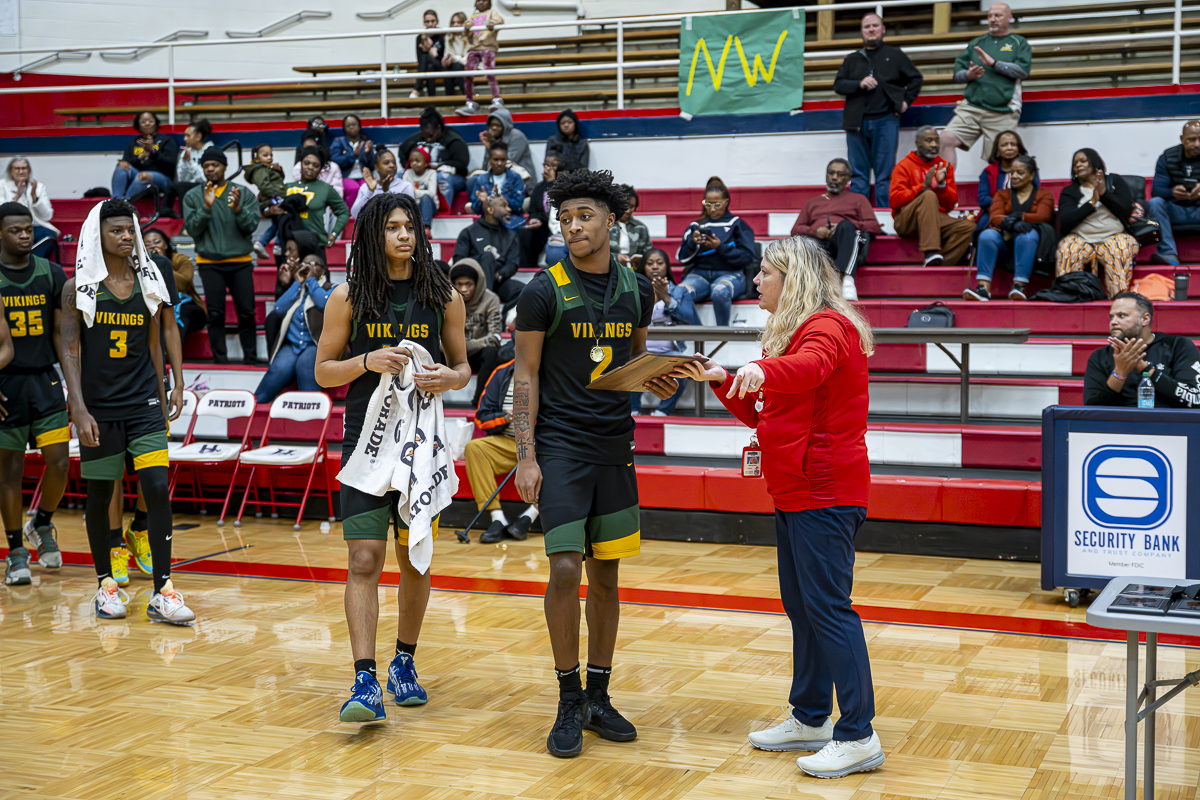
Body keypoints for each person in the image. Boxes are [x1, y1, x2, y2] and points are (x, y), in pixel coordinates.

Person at [669, 235, 882, 780]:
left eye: (765, 272)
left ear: (794, 279)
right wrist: (724, 380)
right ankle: (810, 718)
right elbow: (767, 415)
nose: (756, 280)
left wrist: (764, 370)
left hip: (825, 492)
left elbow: (809, 368)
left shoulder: (827, 327)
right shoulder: (793, 332)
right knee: (803, 608)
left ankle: (859, 734)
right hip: (795, 490)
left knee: (828, 608)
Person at [512, 168, 665, 759]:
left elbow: (635, 362)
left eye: (584, 216)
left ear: (612, 220)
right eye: (565, 218)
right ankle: (568, 697)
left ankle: (599, 696)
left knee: (606, 575)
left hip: (614, 446)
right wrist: (526, 454)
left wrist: (661, 378)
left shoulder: (638, 289)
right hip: (561, 447)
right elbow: (525, 375)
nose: (573, 226)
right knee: (565, 568)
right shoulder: (541, 291)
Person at [314, 192, 470, 723]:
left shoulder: (444, 295)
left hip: (421, 447)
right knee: (364, 559)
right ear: (372, 235)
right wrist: (366, 360)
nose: (404, 235)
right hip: (366, 442)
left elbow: (462, 367)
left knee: (413, 558)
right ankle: (365, 680)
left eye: (410, 226)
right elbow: (323, 371)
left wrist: (449, 378)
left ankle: (404, 662)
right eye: (392, 227)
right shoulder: (347, 297)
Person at [61, 198, 192, 623]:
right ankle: (105, 585)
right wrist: (78, 406)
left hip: (143, 403)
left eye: (128, 230)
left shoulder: (149, 280)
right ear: (96, 236)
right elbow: (70, 349)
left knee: (156, 487)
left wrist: (171, 385)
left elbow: (156, 342)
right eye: (115, 230)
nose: (124, 237)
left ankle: (163, 591)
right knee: (101, 494)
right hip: (98, 408)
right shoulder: (77, 287)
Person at [0, 202, 68, 586]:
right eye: (16, 230)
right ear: (0, 234)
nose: (25, 235)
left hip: (45, 379)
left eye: (28, 228)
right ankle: (15, 553)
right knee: (9, 471)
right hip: (5, 383)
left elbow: (61, 336)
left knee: (59, 462)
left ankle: (41, 523)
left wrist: (75, 389)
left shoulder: (51, 273)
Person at [833, 13, 923, 208]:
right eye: (867, 27)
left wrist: (906, 101)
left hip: (886, 120)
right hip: (856, 123)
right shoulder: (852, 59)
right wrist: (859, 84)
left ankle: (885, 215)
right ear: (862, 32)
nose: (871, 30)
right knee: (858, 174)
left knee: (886, 175)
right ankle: (859, 215)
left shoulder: (895, 55)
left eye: (875, 26)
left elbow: (916, 79)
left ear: (883, 30)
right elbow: (838, 85)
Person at [182, 147, 260, 365]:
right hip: (210, 264)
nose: (210, 169)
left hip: (241, 263)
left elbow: (251, 226)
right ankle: (220, 361)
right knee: (215, 315)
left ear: (224, 167)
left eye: (215, 165)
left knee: (247, 313)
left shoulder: (242, 193)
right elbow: (193, 229)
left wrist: (238, 209)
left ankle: (251, 359)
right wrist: (206, 207)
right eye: (206, 166)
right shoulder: (193, 196)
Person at [939, 2, 1031, 169]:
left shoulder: (1019, 42)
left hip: (1003, 111)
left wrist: (995, 63)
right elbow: (957, 74)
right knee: (945, 139)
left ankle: (999, 187)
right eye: (990, 16)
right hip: (972, 108)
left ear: (1009, 18)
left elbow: (1023, 71)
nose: (993, 19)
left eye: (998, 16)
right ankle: (946, 184)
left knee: (999, 158)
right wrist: (968, 75)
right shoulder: (977, 42)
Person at [467, 353, 540, 544]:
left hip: (539, 444)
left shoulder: (551, 371)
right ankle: (497, 518)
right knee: (475, 448)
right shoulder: (501, 373)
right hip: (506, 441)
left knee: (559, 453)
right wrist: (507, 417)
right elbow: (482, 417)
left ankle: (529, 516)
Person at [789, 158, 882, 301]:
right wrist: (815, 231)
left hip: (845, 242)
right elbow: (795, 229)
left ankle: (848, 282)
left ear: (848, 179)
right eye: (831, 173)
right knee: (803, 241)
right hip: (820, 243)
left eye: (840, 174)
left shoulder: (858, 199)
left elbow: (874, 226)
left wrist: (845, 225)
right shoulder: (812, 202)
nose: (834, 177)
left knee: (846, 226)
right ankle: (806, 289)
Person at [1084, 292, 1200, 407]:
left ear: (1145, 319)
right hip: (1120, 418)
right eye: (1112, 317)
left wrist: (1144, 368)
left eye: (1122, 315)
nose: (1113, 322)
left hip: (1166, 418)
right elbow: (1091, 409)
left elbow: (1195, 400)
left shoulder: (1178, 346)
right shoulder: (1099, 356)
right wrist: (1119, 373)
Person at [964, 154, 1054, 302]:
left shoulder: (1044, 194)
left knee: (1027, 235)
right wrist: (1013, 223)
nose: (1015, 176)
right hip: (1005, 241)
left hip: (1032, 245)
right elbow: (995, 217)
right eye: (1012, 172)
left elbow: (1043, 216)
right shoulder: (1002, 194)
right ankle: (983, 288)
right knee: (987, 235)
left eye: (1020, 172)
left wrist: (1020, 216)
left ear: (1032, 175)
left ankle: (1019, 286)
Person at [672, 176, 757, 326]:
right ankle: (700, 334)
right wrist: (693, 243)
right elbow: (682, 258)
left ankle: (722, 334)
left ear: (726, 202)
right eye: (708, 204)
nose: (712, 209)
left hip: (731, 273)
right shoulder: (696, 225)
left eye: (717, 204)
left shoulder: (737, 224)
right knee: (679, 293)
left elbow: (747, 258)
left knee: (719, 292)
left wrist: (720, 246)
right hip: (699, 274)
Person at [1056, 148, 1138, 300]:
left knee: (1119, 247)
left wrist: (1104, 194)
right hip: (1081, 239)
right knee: (1068, 248)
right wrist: (1092, 203)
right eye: (1075, 163)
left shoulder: (1114, 181)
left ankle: (1119, 299)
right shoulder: (1070, 191)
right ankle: (1068, 296)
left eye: (1083, 161)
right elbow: (1065, 222)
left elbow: (1126, 210)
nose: (1078, 165)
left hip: (1114, 236)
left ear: (1095, 162)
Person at [890, 125, 974, 266]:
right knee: (928, 194)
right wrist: (923, 186)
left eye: (936, 140)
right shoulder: (903, 166)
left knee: (969, 228)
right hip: (907, 221)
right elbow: (895, 201)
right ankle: (930, 251)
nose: (934, 145)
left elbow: (950, 206)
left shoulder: (945, 167)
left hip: (934, 219)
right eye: (928, 140)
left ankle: (940, 266)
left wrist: (941, 186)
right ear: (917, 143)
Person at [256, 252, 331, 404]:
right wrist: (297, 283)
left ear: (322, 270)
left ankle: (311, 410)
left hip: (315, 344)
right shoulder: (298, 290)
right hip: (292, 345)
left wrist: (311, 281)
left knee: (305, 365)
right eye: (304, 264)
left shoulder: (330, 288)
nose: (307, 267)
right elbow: (278, 310)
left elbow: (324, 304)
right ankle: (254, 406)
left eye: (312, 264)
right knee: (278, 369)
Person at [633, 247, 688, 416]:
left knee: (683, 368)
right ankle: (633, 409)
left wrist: (667, 299)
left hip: (668, 352)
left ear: (667, 267)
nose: (655, 266)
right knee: (627, 363)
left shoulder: (678, 291)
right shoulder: (632, 290)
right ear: (643, 267)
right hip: (638, 351)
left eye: (659, 262)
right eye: (650, 263)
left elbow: (691, 320)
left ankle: (662, 411)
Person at [1146, 119, 1200, 266]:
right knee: (1155, 203)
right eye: (1191, 139)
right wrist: (1172, 192)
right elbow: (1157, 190)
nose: (1197, 144)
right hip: (1176, 210)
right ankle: (1168, 254)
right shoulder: (1168, 157)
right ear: (1182, 139)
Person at [450, 259, 502, 406]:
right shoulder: (445, 299)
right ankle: (431, 398)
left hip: (476, 354)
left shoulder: (490, 299)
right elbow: (436, 337)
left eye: (469, 284)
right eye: (459, 284)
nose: (464, 289)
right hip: (450, 355)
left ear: (477, 284)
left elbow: (495, 336)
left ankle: (479, 401)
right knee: (430, 350)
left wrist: (468, 345)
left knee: (492, 352)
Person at [143, 228, 206, 344]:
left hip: (185, 304)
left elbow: (183, 284)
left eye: (157, 242)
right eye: (147, 244)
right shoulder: (140, 265)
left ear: (166, 245)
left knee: (180, 314)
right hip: (155, 306)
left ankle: (172, 351)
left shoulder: (181, 259)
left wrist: (163, 264)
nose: (152, 246)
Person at [454, 195, 521, 302]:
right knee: (487, 257)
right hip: (474, 282)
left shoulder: (511, 236)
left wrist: (499, 275)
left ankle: (500, 312)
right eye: (503, 206)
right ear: (490, 210)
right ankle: (486, 303)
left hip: (499, 280)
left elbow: (512, 264)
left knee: (524, 291)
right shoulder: (469, 232)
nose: (509, 209)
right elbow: (459, 261)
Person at [400, 107, 471, 208]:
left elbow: (462, 163)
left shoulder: (453, 140)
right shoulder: (416, 139)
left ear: (439, 128)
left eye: (431, 135)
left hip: (451, 177)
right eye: (425, 136)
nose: (428, 140)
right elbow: (402, 152)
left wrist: (439, 166)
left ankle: (442, 210)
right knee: (399, 176)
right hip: (423, 175)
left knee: (441, 178)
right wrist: (412, 168)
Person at [975, 129, 1035, 243]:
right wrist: (1004, 205)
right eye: (1004, 145)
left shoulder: (1029, 169)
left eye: (1013, 144)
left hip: (1022, 213)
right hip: (993, 213)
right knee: (982, 233)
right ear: (997, 150)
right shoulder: (989, 171)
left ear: (1019, 148)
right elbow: (983, 199)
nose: (1009, 148)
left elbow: (1034, 195)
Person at [287, 147, 351, 248]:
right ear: (300, 164)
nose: (310, 167)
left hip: (315, 244)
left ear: (321, 169)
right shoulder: (288, 187)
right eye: (306, 163)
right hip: (289, 244)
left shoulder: (325, 189)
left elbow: (343, 212)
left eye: (315, 165)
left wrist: (334, 233)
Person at [111, 110, 178, 202]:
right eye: (143, 122)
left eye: (150, 121)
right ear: (138, 125)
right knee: (121, 166)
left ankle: (124, 204)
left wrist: (153, 151)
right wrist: (140, 158)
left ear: (156, 123)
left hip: (162, 178)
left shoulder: (166, 140)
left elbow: (171, 165)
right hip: (137, 176)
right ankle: (115, 201)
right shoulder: (133, 142)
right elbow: (128, 163)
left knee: (143, 176)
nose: (147, 124)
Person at [1, 157, 59, 260]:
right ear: (10, 171)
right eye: (17, 168)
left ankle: (32, 262)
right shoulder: (2, 185)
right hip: (11, 227)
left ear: (29, 170)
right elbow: (2, 211)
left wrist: (35, 197)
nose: (21, 171)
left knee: (47, 236)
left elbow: (47, 216)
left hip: (33, 226)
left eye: (24, 168)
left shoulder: (38, 187)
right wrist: (17, 196)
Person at [456, 0, 505, 116]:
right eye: (478, 0)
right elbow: (467, 32)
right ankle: (469, 101)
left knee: (489, 71)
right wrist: (467, 27)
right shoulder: (473, 16)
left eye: (484, 0)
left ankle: (496, 99)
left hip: (488, 47)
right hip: (474, 48)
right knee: (467, 73)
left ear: (489, 2)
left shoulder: (492, 13)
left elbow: (500, 21)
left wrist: (492, 23)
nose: (481, 3)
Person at [473, 107, 536, 193]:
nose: (494, 128)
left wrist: (492, 146)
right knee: (473, 180)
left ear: (505, 125)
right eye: (492, 125)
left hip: (520, 178)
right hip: (497, 176)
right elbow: (486, 167)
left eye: (498, 125)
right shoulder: (492, 139)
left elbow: (505, 163)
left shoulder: (516, 136)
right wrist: (489, 146)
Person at [244, 143, 289, 261]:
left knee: (277, 224)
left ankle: (262, 242)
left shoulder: (267, 169)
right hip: (272, 198)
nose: (269, 157)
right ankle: (278, 244)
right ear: (256, 158)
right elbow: (264, 186)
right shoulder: (259, 170)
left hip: (273, 196)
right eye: (265, 155)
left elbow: (279, 181)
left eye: (271, 155)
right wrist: (276, 196)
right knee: (284, 218)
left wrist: (279, 171)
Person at [470, 143, 526, 230]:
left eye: (503, 160)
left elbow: (518, 206)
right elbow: (476, 209)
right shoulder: (481, 180)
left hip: (512, 221)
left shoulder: (516, 178)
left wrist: (501, 199)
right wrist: (482, 202)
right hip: (488, 221)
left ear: (507, 159)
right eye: (496, 160)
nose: (499, 163)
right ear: (490, 159)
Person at [521, 154, 562, 270]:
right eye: (546, 165)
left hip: (554, 225)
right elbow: (532, 210)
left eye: (553, 166)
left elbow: (555, 213)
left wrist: (553, 180)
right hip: (540, 224)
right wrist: (534, 219)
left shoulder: (560, 187)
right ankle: (525, 268)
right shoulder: (538, 187)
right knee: (524, 233)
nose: (548, 169)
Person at [351, 148, 416, 219]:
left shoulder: (405, 186)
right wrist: (370, 191)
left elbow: (408, 213)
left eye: (394, 163)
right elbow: (355, 214)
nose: (392, 165)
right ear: (376, 167)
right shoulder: (366, 187)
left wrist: (386, 192)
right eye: (386, 163)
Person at [331, 115, 376, 201]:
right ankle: (350, 211)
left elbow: (372, 167)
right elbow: (334, 160)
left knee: (367, 188)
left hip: (363, 176)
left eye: (354, 124)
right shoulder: (339, 141)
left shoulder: (365, 143)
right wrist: (353, 154)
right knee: (354, 189)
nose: (351, 127)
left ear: (359, 126)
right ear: (344, 128)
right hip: (345, 176)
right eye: (348, 125)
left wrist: (367, 154)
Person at [610, 185, 652, 270]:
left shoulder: (640, 228)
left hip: (633, 270)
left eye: (631, 207)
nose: (628, 210)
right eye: (625, 206)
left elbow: (649, 253)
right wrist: (616, 257)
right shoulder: (605, 224)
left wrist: (641, 259)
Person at [175, 119, 213, 202]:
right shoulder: (186, 152)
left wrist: (191, 162)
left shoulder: (211, 151)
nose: (185, 139)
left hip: (207, 186)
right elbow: (181, 179)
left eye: (188, 136)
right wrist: (185, 162)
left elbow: (205, 179)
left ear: (198, 136)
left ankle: (185, 210)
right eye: (184, 135)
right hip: (189, 186)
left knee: (181, 187)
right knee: (172, 187)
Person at [404, 147, 441, 230]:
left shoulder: (431, 173)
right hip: (413, 206)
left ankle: (426, 228)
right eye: (412, 161)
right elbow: (406, 193)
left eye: (418, 161)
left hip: (429, 206)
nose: (414, 163)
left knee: (426, 198)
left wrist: (413, 192)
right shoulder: (407, 173)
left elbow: (431, 193)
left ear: (426, 163)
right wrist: (418, 192)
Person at [411, 9, 445, 98]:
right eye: (427, 22)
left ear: (437, 22)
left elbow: (443, 59)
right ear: (424, 23)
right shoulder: (420, 38)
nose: (430, 24)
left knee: (427, 59)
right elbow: (420, 59)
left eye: (432, 21)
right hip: (427, 67)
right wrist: (427, 50)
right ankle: (431, 99)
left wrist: (429, 50)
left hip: (440, 65)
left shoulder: (442, 35)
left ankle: (416, 89)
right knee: (429, 65)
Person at [442, 11, 470, 96]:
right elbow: (447, 54)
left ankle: (467, 96)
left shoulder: (469, 37)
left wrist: (454, 58)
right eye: (453, 23)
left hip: (468, 65)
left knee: (457, 66)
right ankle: (449, 98)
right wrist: (446, 60)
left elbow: (467, 60)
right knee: (446, 68)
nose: (455, 25)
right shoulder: (448, 37)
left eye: (459, 22)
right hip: (455, 65)